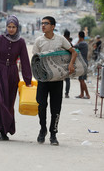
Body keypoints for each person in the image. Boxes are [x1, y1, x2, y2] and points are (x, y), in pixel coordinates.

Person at [32, 16, 77, 146]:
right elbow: (35, 59)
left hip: (57, 80)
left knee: (55, 108)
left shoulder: (60, 39)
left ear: (52, 26)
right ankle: (42, 129)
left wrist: (71, 64)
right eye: (42, 23)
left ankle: (53, 134)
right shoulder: (39, 41)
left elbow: (73, 52)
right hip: (43, 79)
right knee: (41, 105)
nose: (43, 26)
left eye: (46, 23)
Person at [75, 31, 90, 99]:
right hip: (83, 63)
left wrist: (78, 40)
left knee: (82, 80)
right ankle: (82, 94)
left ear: (79, 36)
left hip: (83, 63)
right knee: (80, 79)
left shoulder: (82, 43)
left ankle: (87, 94)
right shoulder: (84, 43)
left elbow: (73, 46)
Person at [63, 29, 73, 98]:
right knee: (67, 80)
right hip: (68, 63)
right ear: (69, 36)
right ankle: (67, 93)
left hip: (62, 63)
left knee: (60, 79)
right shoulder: (70, 44)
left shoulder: (62, 43)